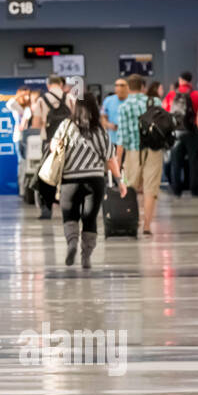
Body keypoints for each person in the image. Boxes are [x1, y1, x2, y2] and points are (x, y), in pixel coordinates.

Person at [49, 93, 124, 269]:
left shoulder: (66, 126)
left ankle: (72, 244)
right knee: (90, 219)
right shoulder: (99, 130)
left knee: (70, 215)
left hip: (70, 181)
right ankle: (86, 257)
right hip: (94, 181)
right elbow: (111, 159)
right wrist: (120, 181)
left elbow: (53, 147)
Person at [113, 74, 163, 236]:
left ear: (128, 87)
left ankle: (133, 221)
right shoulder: (155, 102)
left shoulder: (124, 107)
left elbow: (121, 137)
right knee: (151, 188)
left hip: (133, 152)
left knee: (131, 188)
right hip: (154, 150)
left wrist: (118, 162)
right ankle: (147, 226)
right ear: (143, 87)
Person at [31, 76, 75, 219]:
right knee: (68, 173)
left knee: (47, 174)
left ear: (48, 85)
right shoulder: (69, 98)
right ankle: (71, 205)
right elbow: (76, 118)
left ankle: (47, 208)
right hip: (68, 141)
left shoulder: (41, 101)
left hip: (49, 143)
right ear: (61, 84)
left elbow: (36, 124)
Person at [163, 71, 198, 197]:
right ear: (191, 81)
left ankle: (176, 188)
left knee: (176, 161)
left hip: (176, 132)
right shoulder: (197, 95)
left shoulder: (171, 95)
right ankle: (195, 189)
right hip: (192, 131)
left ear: (180, 80)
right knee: (194, 160)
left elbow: (165, 112)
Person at [101, 78, 127, 149]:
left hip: (127, 141)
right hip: (112, 140)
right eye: (117, 85)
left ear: (127, 87)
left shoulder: (131, 101)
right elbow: (103, 117)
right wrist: (107, 124)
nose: (119, 88)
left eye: (122, 85)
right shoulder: (108, 100)